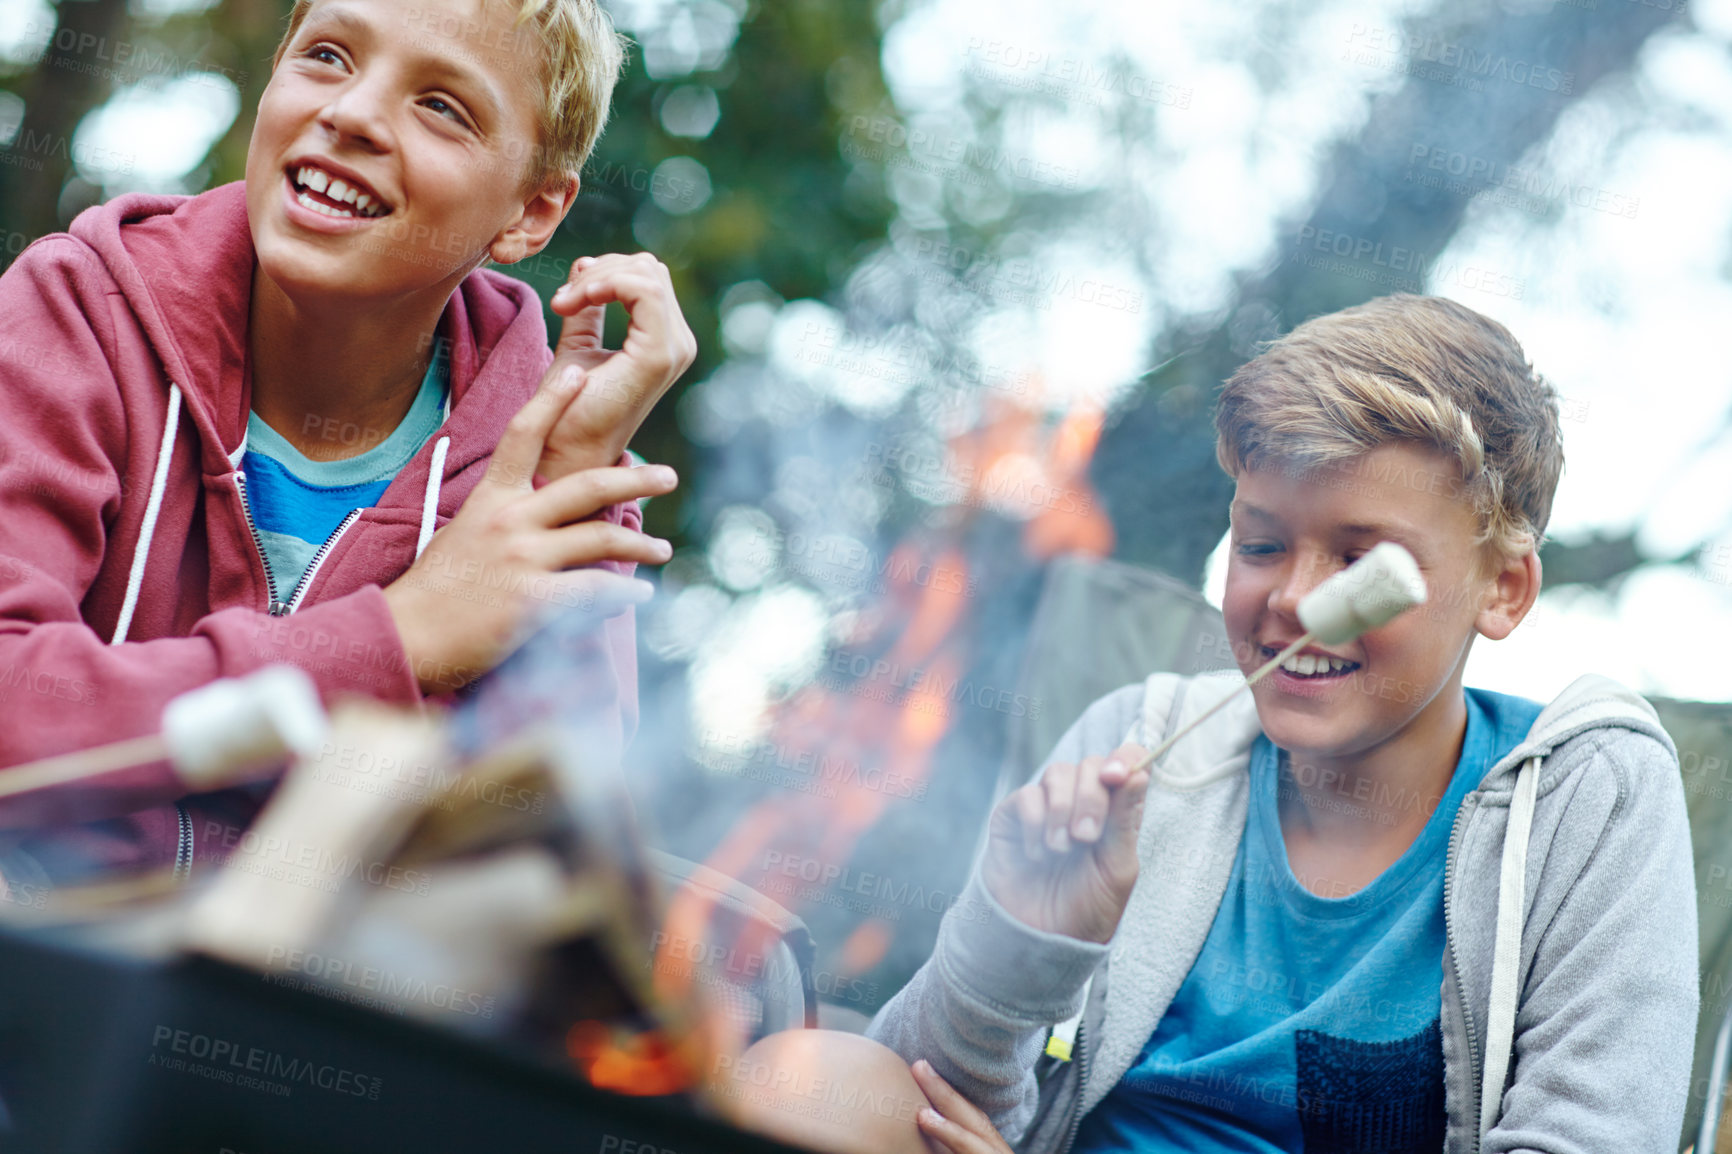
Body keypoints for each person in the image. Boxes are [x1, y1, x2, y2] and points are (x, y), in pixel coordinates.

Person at [866, 294, 1699, 1151]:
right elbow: (912, 1101)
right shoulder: (1136, 747)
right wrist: (1017, 949)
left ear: (1504, 589)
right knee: (819, 1087)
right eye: (1260, 547)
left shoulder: (1593, 798)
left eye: (1361, 559)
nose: (1295, 599)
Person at [0, 0, 695, 892]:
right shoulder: (77, 313)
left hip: (313, 1012)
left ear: (531, 212)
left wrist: (564, 480)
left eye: (442, 105)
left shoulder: (551, 467)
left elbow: (537, 876)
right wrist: (393, 641)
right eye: (328, 55)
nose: (354, 114)